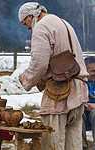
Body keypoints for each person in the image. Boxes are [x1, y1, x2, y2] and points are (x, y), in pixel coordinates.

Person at [18, 2, 89, 150]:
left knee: (52, 142)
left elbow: (39, 63)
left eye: (27, 25)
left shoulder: (41, 27)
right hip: (79, 88)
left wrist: (26, 79)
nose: (29, 29)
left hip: (60, 93)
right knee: (74, 145)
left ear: (31, 16)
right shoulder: (64, 23)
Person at [82, 56, 95, 149]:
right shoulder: (79, 83)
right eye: (93, 71)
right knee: (77, 114)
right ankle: (82, 145)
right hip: (84, 112)